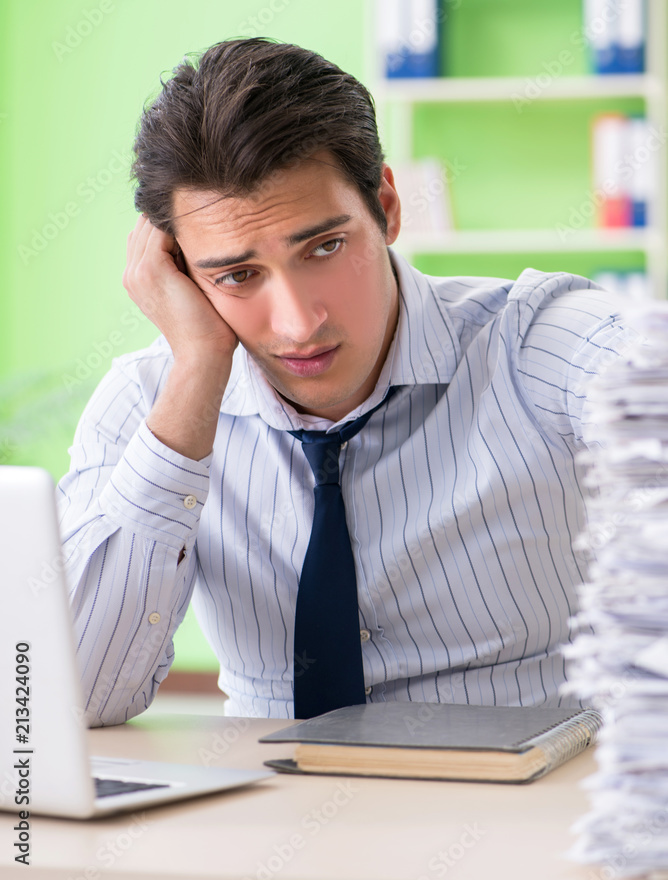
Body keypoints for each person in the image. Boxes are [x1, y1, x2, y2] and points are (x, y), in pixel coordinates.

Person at [58, 37, 629, 726]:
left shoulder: (544, 343)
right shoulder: (148, 403)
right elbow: (72, 701)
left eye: (324, 247)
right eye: (237, 275)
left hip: (534, 806)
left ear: (385, 206)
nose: (299, 324)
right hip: (274, 815)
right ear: (178, 272)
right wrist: (198, 374)